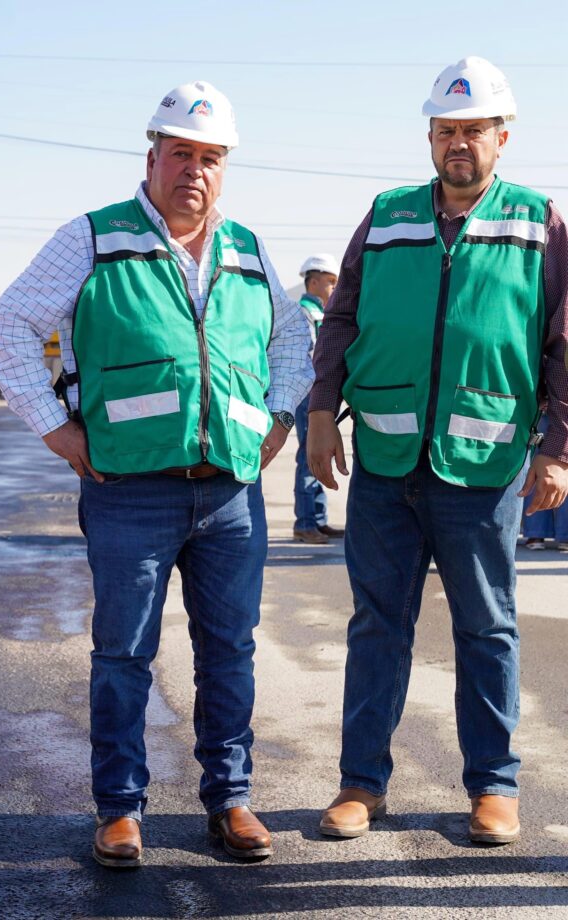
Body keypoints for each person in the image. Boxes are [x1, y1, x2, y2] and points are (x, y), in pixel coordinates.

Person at [0, 80, 313, 867]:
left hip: (229, 492)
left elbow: (292, 344)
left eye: (209, 158)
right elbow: (9, 325)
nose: (193, 172)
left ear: (223, 168)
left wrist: (272, 425)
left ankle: (231, 801)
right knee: (124, 651)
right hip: (130, 490)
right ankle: (119, 809)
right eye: (180, 155)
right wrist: (59, 432)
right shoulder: (93, 238)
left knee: (230, 650)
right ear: (152, 157)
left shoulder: (247, 249)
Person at [307, 57, 568, 845]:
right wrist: (323, 411)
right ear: (429, 135)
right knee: (376, 626)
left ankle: (494, 787)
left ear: (502, 137)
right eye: (447, 131)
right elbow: (342, 320)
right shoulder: (386, 215)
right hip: (386, 467)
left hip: (480, 470)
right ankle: (361, 784)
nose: (460, 144)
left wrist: (557, 446)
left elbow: (564, 343)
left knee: (487, 629)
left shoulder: (540, 221)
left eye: (474, 131)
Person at [293, 254, 340, 544]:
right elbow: (308, 355)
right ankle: (305, 522)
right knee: (310, 456)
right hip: (308, 393)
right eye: (330, 282)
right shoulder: (303, 313)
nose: (334, 288)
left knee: (321, 457)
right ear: (313, 282)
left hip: (318, 392)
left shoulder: (322, 313)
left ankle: (319, 520)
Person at [522, 408, 568, 550]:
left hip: (543, 404)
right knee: (562, 468)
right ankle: (565, 535)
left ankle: (536, 534)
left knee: (537, 467)